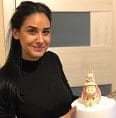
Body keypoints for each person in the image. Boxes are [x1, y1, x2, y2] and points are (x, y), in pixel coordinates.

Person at [0, 1, 77, 118]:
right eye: (32, 31)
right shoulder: (4, 80)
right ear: (16, 33)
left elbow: (68, 100)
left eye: (45, 32)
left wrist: (86, 99)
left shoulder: (52, 59)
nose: (41, 40)